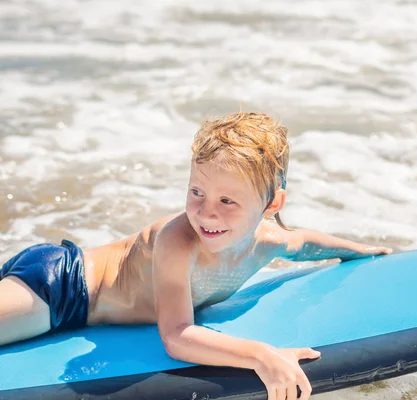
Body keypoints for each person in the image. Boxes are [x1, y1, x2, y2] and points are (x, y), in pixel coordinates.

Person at [0, 112, 392, 400]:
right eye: (196, 193)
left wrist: (360, 252)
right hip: (60, 289)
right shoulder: (177, 240)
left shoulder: (269, 241)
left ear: (273, 203)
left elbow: (305, 243)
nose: (207, 213)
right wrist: (262, 356)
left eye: (227, 201)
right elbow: (176, 335)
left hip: (67, 295)